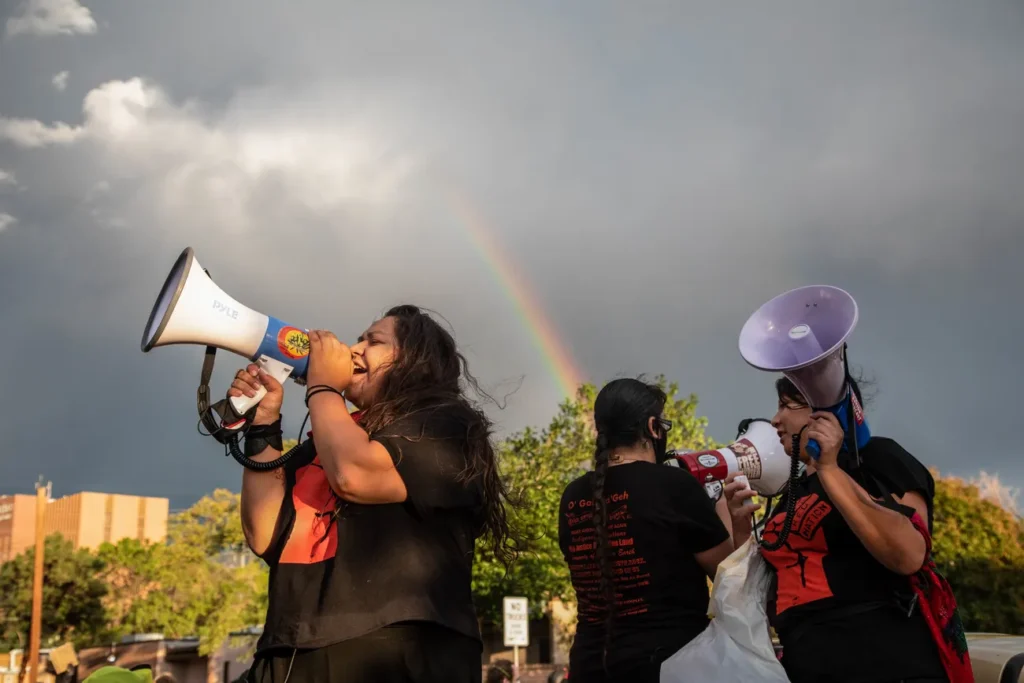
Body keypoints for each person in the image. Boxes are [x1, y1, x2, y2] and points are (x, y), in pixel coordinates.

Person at [230, 305, 519, 683]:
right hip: (292, 648)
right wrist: (263, 424)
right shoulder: (332, 440)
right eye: (359, 339)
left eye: (374, 341)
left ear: (415, 361)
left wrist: (323, 387)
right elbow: (264, 534)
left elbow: (353, 475)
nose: (354, 349)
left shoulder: (447, 425)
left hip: (397, 649)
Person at [724, 376, 973, 683]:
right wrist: (741, 529)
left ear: (825, 411)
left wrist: (829, 468)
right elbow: (760, 600)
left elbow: (909, 555)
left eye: (787, 406)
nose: (775, 420)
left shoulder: (875, 457)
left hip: (885, 663)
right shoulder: (791, 493)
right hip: (808, 663)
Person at [558, 378, 737, 683]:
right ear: (653, 427)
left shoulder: (572, 495)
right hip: (667, 664)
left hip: (590, 665)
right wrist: (723, 507)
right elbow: (728, 578)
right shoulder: (675, 486)